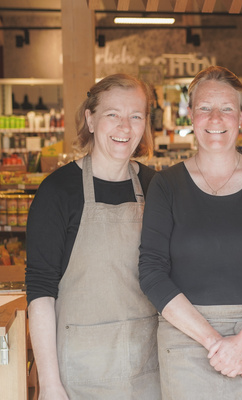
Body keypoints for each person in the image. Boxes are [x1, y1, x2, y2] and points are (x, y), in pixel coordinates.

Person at [138, 65, 242, 400]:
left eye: (226, 108)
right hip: (188, 340)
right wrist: (216, 343)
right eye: (204, 108)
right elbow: (152, 273)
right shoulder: (165, 185)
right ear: (190, 115)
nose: (215, 118)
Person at [26, 74, 160, 399]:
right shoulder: (58, 191)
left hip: (147, 369)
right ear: (90, 119)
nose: (124, 127)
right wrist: (50, 384)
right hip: (79, 374)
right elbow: (41, 292)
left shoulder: (157, 188)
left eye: (136, 116)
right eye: (113, 114)